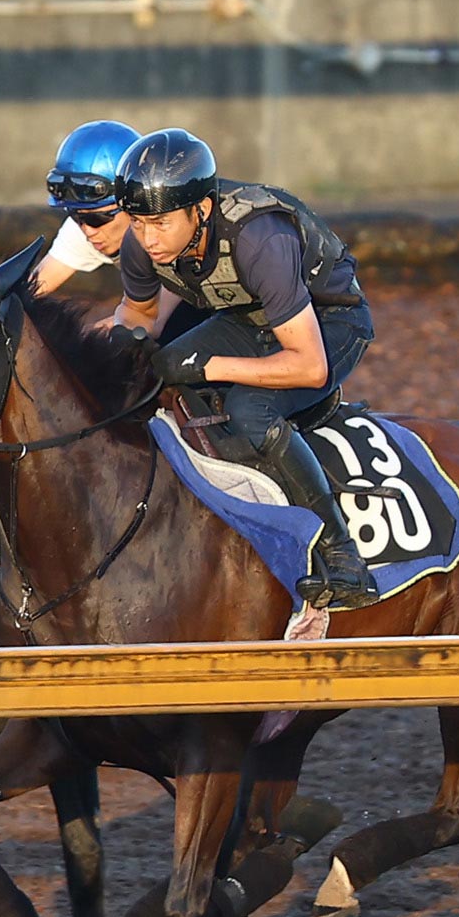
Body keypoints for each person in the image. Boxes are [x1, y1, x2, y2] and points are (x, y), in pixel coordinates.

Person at [108, 127, 380, 611]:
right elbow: (139, 315)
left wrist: (208, 366)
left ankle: (343, 555)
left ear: (201, 209)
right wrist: (119, 349)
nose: (148, 239)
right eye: (138, 223)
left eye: (161, 223)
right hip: (247, 319)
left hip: (329, 326)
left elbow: (310, 367)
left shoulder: (260, 239)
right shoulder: (142, 243)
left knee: (249, 409)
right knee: (153, 373)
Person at [33, 119, 197, 340]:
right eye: (75, 216)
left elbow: (154, 322)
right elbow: (31, 289)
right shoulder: (85, 226)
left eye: (98, 218)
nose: (88, 231)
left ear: (133, 206)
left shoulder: (171, 229)